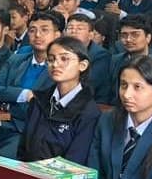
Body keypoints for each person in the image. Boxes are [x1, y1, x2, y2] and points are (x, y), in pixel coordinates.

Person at [0, 11, 63, 157]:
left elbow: (43, 106)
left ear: (57, 35)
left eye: (44, 30)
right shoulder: (16, 60)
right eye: (32, 30)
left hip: (27, 131)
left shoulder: (60, 68)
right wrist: (24, 94)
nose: (37, 35)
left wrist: (7, 103)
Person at [18, 36, 100, 164]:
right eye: (51, 59)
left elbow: (75, 161)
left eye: (64, 59)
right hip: (27, 171)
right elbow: (23, 149)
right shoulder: (39, 100)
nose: (55, 64)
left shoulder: (88, 112)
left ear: (82, 65)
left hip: (62, 175)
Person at [106, 15, 152, 106]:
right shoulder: (115, 60)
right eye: (124, 35)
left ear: (148, 37)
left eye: (135, 35)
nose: (128, 39)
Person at [65, 13, 112, 103]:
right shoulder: (60, 51)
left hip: (93, 102)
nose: (73, 31)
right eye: (70, 28)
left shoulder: (101, 55)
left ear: (91, 35)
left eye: (79, 29)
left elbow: (90, 84)